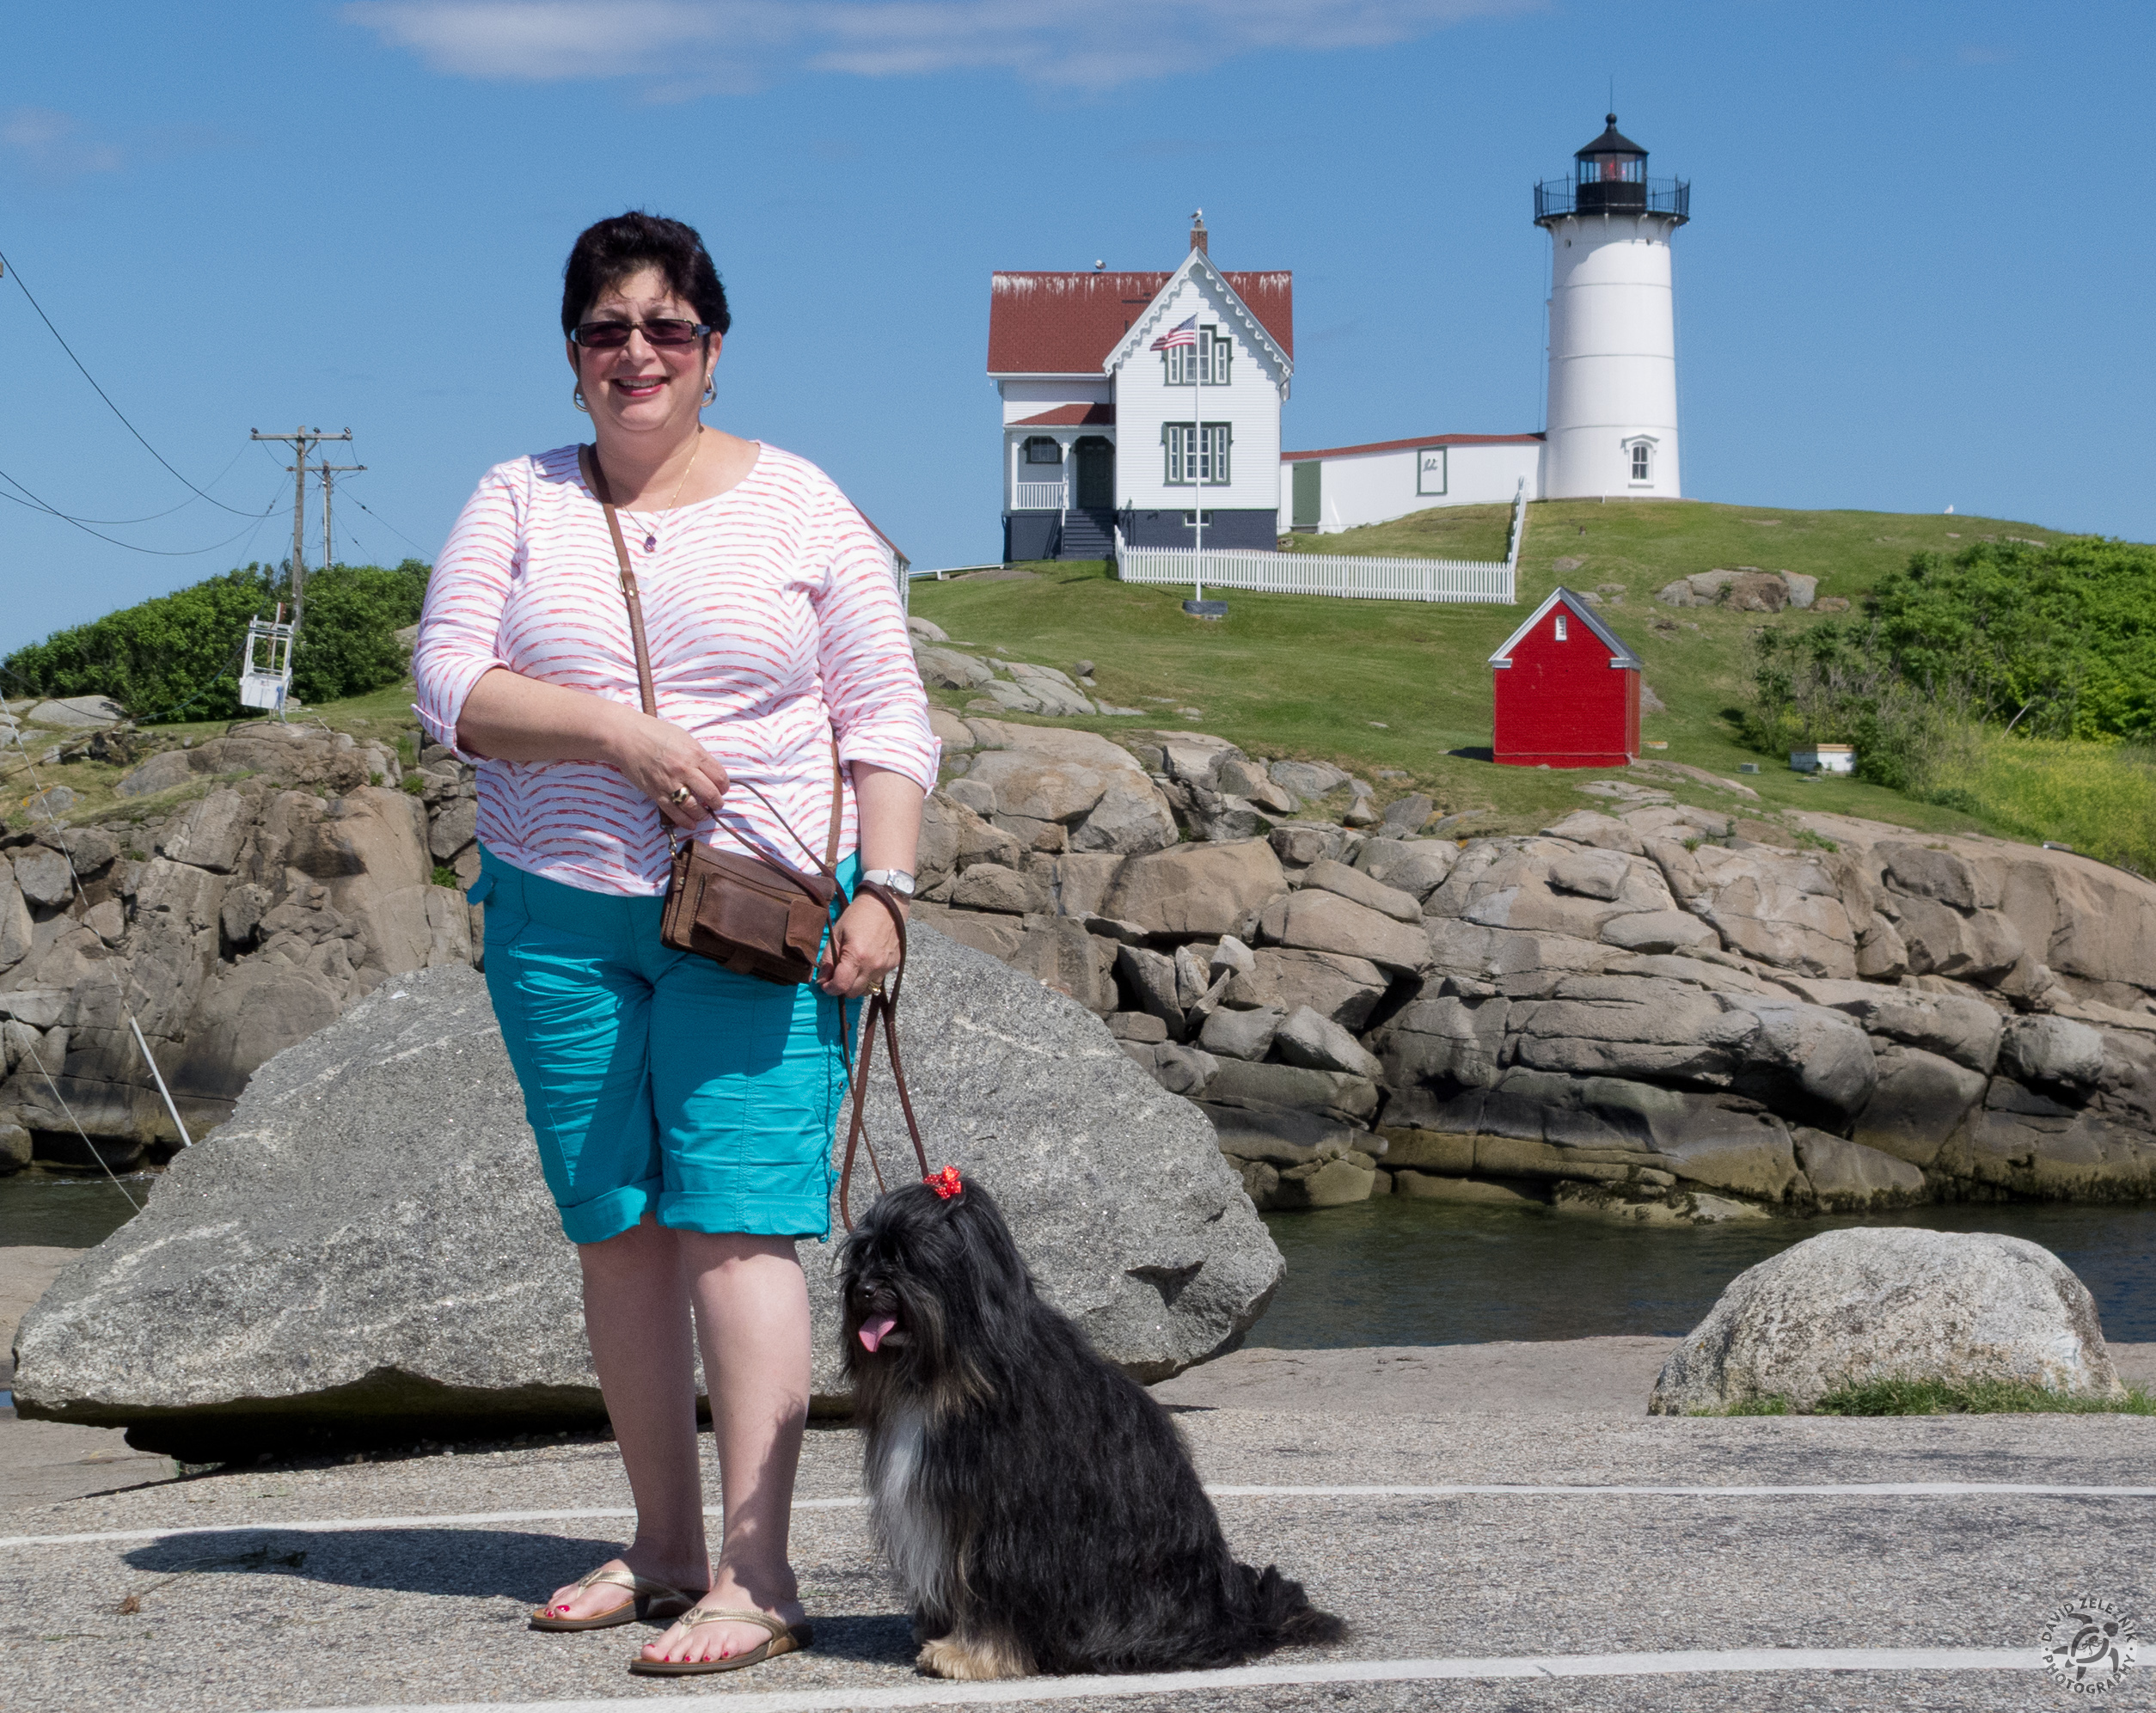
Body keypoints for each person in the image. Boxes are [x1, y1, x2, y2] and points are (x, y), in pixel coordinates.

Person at [412, 210, 935, 1674]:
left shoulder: (805, 505)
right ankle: (659, 1543)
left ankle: (755, 1571)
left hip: (760, 914)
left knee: (741, 1221)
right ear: (572, 355)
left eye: (667, 327)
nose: (636, 352)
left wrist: (884, 890)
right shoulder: (515, 497)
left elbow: (885, 713)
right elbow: (448, 680)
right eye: (605, 328)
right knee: (620, 1230)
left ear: (712, 349)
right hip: (553, 910)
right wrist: (615, 733)